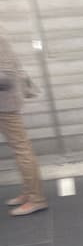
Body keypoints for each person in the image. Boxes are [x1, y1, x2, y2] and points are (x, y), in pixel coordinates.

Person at [0, 32, 47, 217]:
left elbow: (5, 75)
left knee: (21, 148)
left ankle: (36, 199)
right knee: (19, 147)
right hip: (6, 100)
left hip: (5, 102)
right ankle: (30, 193)